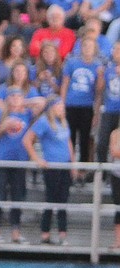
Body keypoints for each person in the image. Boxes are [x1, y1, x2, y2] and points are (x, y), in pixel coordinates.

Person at [23, 97, 76, 245]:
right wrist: (37, 159)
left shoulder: (63, 122)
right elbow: (27, 140)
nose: (61, 109)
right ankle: (45, 233)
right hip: (52, 167)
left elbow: (68, 142)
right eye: (59, 106)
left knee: (63, 201)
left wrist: (72, 164)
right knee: (51, 199)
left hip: (64, 166)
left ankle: (62, 234)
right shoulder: (44, 121)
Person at [0, 87, 34, 244]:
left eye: (18, 95)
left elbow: (43, 103)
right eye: (11, 96)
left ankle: (15, 232)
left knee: (17, 197)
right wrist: (3, 127)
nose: (15, 98)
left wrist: (25, 102)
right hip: (1, 160)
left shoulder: (27, 113)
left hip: (19, 161)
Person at [61, 37, 104, 180]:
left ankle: (83, 171)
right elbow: (65, 84)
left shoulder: (97, 66)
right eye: (85, 46)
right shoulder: (72, 63)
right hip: (71, 105)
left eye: (90, 46)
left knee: (85, 139)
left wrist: (96, 113)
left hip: (87, 107)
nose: (87, 49)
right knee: (70, 137)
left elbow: (98, 92)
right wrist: (62, 103)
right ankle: (69, 169)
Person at [96, 41, 120, 164]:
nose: (115, 52)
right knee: (102, 143)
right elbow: (99, 90)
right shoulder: (108, 68)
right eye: (114, 49)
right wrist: (100, 76)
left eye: (118, 50)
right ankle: (102, 173)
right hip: (109, 110)